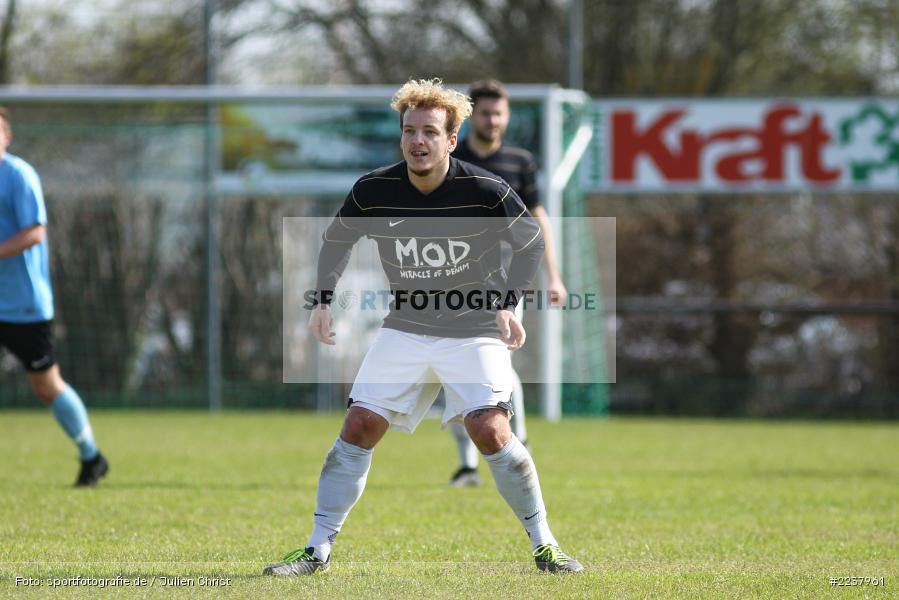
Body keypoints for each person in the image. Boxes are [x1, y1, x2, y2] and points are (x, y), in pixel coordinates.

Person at [264, 79, 582, 575]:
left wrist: (506, 303)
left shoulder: (484, 189)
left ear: (452, 140)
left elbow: (531, 242)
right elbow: (335, 242)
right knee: (358, 426)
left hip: (475, 329)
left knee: (491, 429)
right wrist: (322, 301)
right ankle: (316, 549)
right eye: (409, 131)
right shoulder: (374, 189)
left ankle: (546, 545)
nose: (418, 141)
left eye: (430, 132)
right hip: (405, 329)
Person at [447, 79, 568, 487]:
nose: (492, 120)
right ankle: (467, 465)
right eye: (485, 113)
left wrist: (554, 275)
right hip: (450, 280)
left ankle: (520, 440)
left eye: (499, 113)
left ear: (507, 116)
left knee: (498, 359)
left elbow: (537, 222)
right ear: (470, 117)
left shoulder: (520, 162)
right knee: (451, 367)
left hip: (504, 281)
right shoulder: (450, 157)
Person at [0, 106, 109, 487]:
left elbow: (35, 232)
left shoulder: (18, 176)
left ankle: (91, 456)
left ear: (6, 137)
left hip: (23, 304)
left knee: (45, 386)